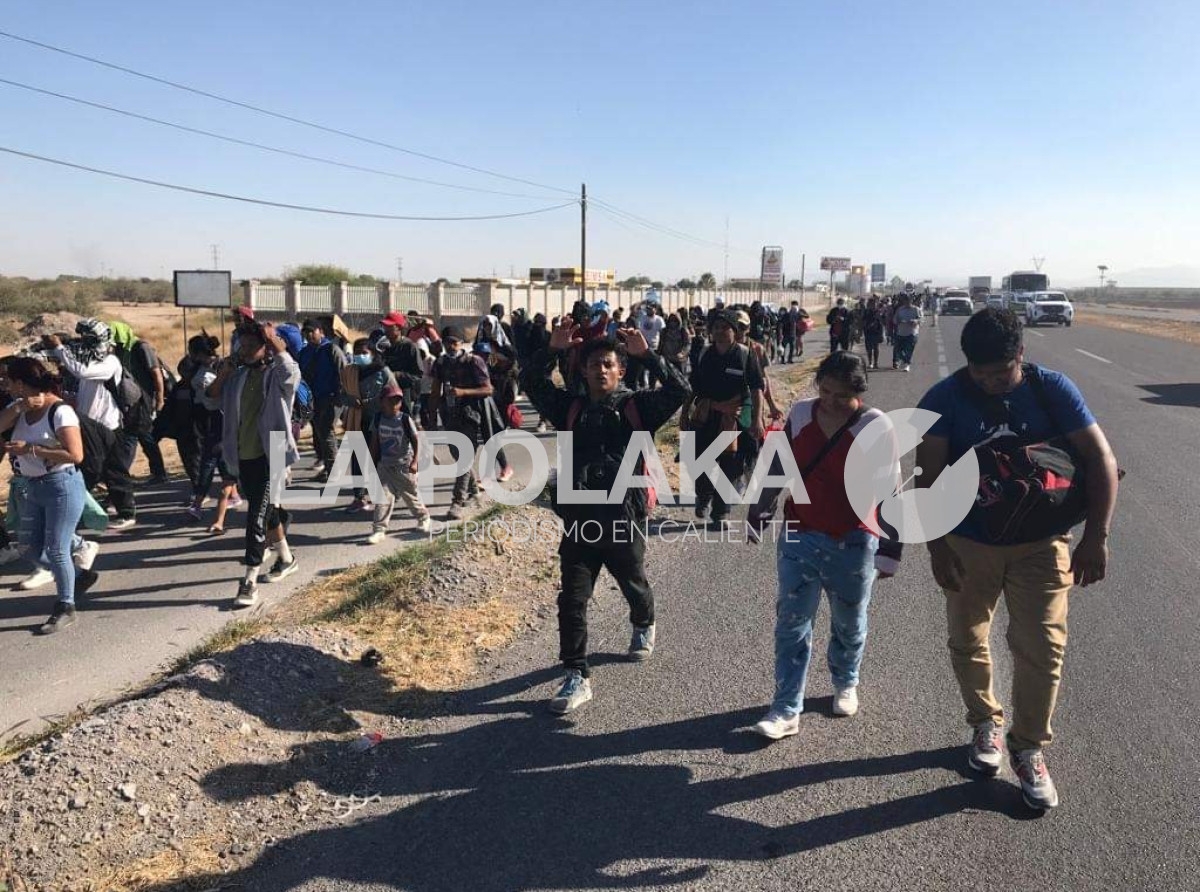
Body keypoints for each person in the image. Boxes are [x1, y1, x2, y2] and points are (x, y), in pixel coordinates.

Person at [914, 308, 1119, 810]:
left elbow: (1100, 460)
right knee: (968, 638)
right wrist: (937, 547)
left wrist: (1096, 537)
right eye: (980, 374)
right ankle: (985, 724)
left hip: (1042, 546)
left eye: (1000, 373)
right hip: (968, 545)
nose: (989, 383)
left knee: (1042, 650)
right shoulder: (945, 398)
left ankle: (1029, 748)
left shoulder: (1053, 390)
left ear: (1020, 356)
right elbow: (927, 480)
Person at [521, 321, 690, 714]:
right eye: (594, 364)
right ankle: (577, 674)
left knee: (633, 584)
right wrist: (551, 348)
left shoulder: (638, 407)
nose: (600, 370)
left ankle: (644, 621)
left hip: (622, 519)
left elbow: (681, 390)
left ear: (621, 370)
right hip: (579, 520)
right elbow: (530, 380)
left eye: (608, 364)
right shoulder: (570, 408)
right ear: (583, 369)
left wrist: (649, 355)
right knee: (572, 600)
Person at [747, 352, 902, 738]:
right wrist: (759, 510)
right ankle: (785, 708)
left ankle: (846, 680)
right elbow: (777, 465)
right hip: (801, 532)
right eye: (826, 390)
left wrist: (890, 549)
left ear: (859, 392)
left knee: (849, 621)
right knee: (792, 621)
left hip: (854, 538)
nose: (830, 401)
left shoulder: (876, 425)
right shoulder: (800, 414)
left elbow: (891, 491)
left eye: (842, 395)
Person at [208, 321, 302, 607]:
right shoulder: (237, 378)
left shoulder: (276, 376)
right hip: (243, 455)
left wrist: (272, 338)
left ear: (266, 348)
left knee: (256, 519)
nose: (246, 350)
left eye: (253, 346)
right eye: (243, 346)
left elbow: (291, 370)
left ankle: (249, 581)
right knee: (268, 511)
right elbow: (212, 398)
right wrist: (224, 373)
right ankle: (286, 558)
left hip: (269, 456)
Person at [0, 358, 94, 633]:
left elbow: (75, 455)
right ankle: (77, 576)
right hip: (32, 487)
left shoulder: (60, 411)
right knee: (28, 547)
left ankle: (66, 606)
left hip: (61, 486)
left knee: (56, 549)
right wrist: (19, 407)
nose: (5, 384)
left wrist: (31, 449)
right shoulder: (18, 408)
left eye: (8, 380)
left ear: (20, 382)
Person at [46, 320, 138, 529]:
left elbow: (82, 372)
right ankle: (82, 511)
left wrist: (60, 348)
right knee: (92, 468)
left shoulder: (110, 362)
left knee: (111, 469)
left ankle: (126, 512)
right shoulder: (88, 360)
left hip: (108, 423)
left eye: (89, 340)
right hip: (87, 424)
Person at [685, 309, 765, 525]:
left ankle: (720, 513)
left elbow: (757, 389)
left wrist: (757, 420)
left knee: (730, 467)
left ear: (735, 330)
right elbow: (691, 387)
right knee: (698, 461)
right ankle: (703, 496)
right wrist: (685, 414)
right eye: (716, 328)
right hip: (705, 415)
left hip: (733, 419)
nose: (719, 332)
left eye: (725, 327)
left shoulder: (745, 355)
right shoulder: (704, 354)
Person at [428, 326, 493, 521]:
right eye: (447, 342)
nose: (451, 346)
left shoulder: (474, 361)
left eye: (454, 342)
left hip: (470, 415)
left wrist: (464, 392)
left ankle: (457, 502)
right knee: (458, 456)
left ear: (461, 343)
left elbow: (488, 389)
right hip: (449, 415)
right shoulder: (440, 363)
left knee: (464, 457)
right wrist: (431, 417)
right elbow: (435, 389)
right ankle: (474, 491)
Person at [185, 334, 242, 532]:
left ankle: (201, 505)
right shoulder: (216, 367)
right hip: (217, 420)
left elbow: (211, 394)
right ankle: (227, 500)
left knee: (210, 462)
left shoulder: (208, 374)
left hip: (218, 419)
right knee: (222, 465)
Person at [366, 384, 431, 544]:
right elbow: (374, 442)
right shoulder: (378, 418)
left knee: (410, 495)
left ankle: (423, 517)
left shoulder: (404, 419)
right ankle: (379, 529)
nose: (395, 404)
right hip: (385, 465)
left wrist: (415, 462)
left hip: (404, 465)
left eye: (398, 401)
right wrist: (371, 463)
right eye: (391, 401)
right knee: (383, 497)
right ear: (382, 402)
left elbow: (416, 441)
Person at [341, 337, 398, 512]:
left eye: (364, 353)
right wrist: (350, 400)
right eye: (357, 353)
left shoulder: (382, 371)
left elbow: (395, 393)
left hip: (379, 421)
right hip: (357, 420)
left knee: (377, 459)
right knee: (358, 460)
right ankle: (359, 496)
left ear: (372, 354)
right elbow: (341, 393)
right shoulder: (349, 372)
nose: (360, 356)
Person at [108, 321, 168, 483]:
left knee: (134, 436)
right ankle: (158, 472)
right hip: (130, 399)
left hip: (144, 400)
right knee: (143, 436)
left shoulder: (141, 347)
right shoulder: (120, 351)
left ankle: (122, 476)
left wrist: (160, 399)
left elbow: (156, 374)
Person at [298, 319, 347, 483]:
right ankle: (328, 466)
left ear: (321, 331)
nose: (309, 335)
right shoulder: (305, 352)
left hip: (330, 398)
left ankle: (334, 470)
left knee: (326, 433)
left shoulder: (331, 349)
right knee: (319, 434)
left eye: (312, 331)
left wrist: (339, 398)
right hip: (312, 400)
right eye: (306, 332)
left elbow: (344, 373)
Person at [891, 295, 922, 372]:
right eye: (906, 300)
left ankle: (907, 364)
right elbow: (894, 319)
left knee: (909, 350)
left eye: (909, 300)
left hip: (912, 333)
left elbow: (921, 319)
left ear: (912, 301)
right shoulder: (900, 309)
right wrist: (897, 321)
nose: (907, 302)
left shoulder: (916, 309)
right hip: (901, 332)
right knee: (898, 350)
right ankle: (904, 361)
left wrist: (915, 321)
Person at [862, 298, 885, 371]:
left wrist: (882, 334)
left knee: (876, 348)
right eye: (871, 304)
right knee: (869, 349)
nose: (873, 305)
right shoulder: (866, 312)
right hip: (868, 332)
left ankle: (876, 363)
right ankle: (870, 362)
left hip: (876, 333)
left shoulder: (879, 312)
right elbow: (862, 321)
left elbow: (882, 323)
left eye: (874, 304)